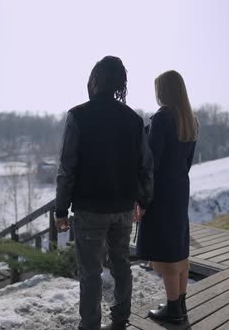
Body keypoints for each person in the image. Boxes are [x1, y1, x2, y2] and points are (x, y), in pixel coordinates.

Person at [55, 56, 153, 330]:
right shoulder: (133, 120)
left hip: (89, 211)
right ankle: (120, 320)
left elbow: (67, 167)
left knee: (91, 273)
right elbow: (145, 165)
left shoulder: (78, 116)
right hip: (123, 208)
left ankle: (91, 326)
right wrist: (143, 199)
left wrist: (61, 210)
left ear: (95, 80)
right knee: (121, 265)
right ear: (121, 83)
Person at [136, 70, 198, 324]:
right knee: (178, 247)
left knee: (165, 250)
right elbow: (187, 161)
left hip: (161, 191)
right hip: (180, 187)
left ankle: (173, 309)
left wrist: (142, 199)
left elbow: (151, 163)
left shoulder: (162, 119)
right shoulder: (190, 120)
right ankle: (180, 304)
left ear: (163, 91)